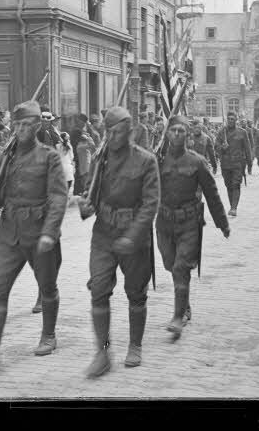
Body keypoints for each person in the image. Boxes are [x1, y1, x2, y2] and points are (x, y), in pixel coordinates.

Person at [0, 101, 66, 374]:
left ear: (36, 127)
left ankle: (48, 335)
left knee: (47, 287)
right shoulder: (6, 157)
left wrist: (50, 232)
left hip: (39, 231)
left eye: (27, 125)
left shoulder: (49, 157)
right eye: (18, 124)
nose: (21, 129)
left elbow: (58, 198)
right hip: (9, 232)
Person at [77, 106, 160, 377]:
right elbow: (89, 193)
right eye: (108, 132)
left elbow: (150, 205)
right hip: (104, 233)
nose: (112, 137)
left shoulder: (146, 161)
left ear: (130, 132)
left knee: (136, 293)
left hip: (134, 237)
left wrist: (133, 237)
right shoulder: (100, 159)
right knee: (99, 290)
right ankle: (102, 352)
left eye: (118, 132)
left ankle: (135, 345)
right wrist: (84, 206)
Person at [155, 115, 231, 340]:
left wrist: (222, 223)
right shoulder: (157, 161)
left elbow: (212, 194)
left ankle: (178, 317)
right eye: (173, 130)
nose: (177, 134)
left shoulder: (197, 162)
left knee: (181, 268)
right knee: (170, 265)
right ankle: (185, 304)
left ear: (187, 134)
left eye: (181, 131)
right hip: (164, 222)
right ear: (167, 134)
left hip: (189, 223)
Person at [216, 112, 253, 217]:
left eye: (232, 119)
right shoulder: (222, 132)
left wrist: (249, 163)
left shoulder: (242, 132)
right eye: (229, 119)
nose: (230, 121)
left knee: (236, 184)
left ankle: (234, 208)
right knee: (228, 186)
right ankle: (232, 205)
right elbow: (216, 146)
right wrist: (222, 147)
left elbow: (247, 148)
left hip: (238, 163)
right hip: (225, 164)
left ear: (236, 120)